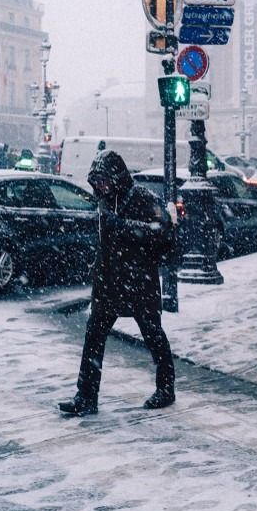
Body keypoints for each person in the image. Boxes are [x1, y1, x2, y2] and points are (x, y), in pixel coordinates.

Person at [59, 150, 176, 417]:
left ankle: (166, 388)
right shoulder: (103, 202)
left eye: (104, 181)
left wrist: (122, 225)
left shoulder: (143, 198)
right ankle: (86, 396)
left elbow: (163, 231)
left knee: (153, 335)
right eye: (96, 181)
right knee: (94, 338)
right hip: (108, 283)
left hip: (139, 282)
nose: (99, 186)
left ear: (117, 178)